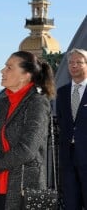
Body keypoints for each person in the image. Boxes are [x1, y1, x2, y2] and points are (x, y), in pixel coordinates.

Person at [0, 51, 55, 210]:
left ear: (25, 75)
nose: (2, 71)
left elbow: (27, 149)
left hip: (25, 189)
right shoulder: (4, 103)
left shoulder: (37, 103)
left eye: (9, 67)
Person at [56, 48, 87, 209]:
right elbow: (61, 121)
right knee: (71, 203)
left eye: (79, 62)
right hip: (68, 157)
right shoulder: (61, 92)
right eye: (71, 62)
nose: (74, 65)